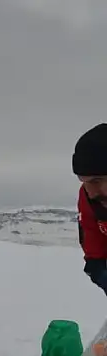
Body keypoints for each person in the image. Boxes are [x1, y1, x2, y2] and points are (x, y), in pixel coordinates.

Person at [73, 123, 107, 297]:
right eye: (84, 181)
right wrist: (97, 268)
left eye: (96, 181)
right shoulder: (88, 195)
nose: (92, 193)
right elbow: (91, 232)